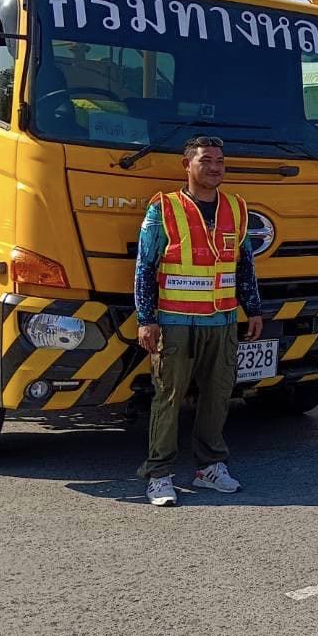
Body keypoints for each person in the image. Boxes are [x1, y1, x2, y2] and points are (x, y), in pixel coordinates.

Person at [135, 137, 264, 507]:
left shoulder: (237, 208)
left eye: (220, 161)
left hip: (221, 321)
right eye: (206, 160)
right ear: (187, 165)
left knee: (218, 395)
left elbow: (245, 265)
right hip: (175, 321)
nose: (215, 168)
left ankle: (209, 467)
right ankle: (159, 474)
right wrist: (146, 319)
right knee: (169, 395)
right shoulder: (164, 208)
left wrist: (253, 309)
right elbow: (145, 266)